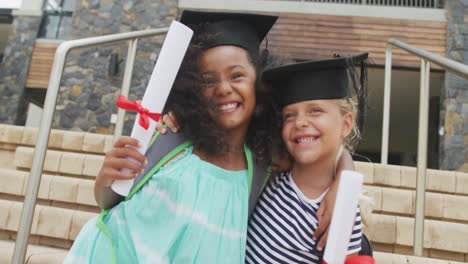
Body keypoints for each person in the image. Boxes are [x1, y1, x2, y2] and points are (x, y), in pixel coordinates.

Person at [64, 10, 279, 263]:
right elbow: (108, 201)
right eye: (207, 80)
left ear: (259, 82)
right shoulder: (170, 138)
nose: (223, 89)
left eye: (237, 76)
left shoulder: (261, 167)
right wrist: (106, 179)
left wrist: (340, 166)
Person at [245, 53, 369, 263]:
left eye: (315, 111)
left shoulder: (343, 211)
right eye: (289, 115)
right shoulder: (271, 175)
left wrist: (345, 181)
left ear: (346, 124)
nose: (300, 122)